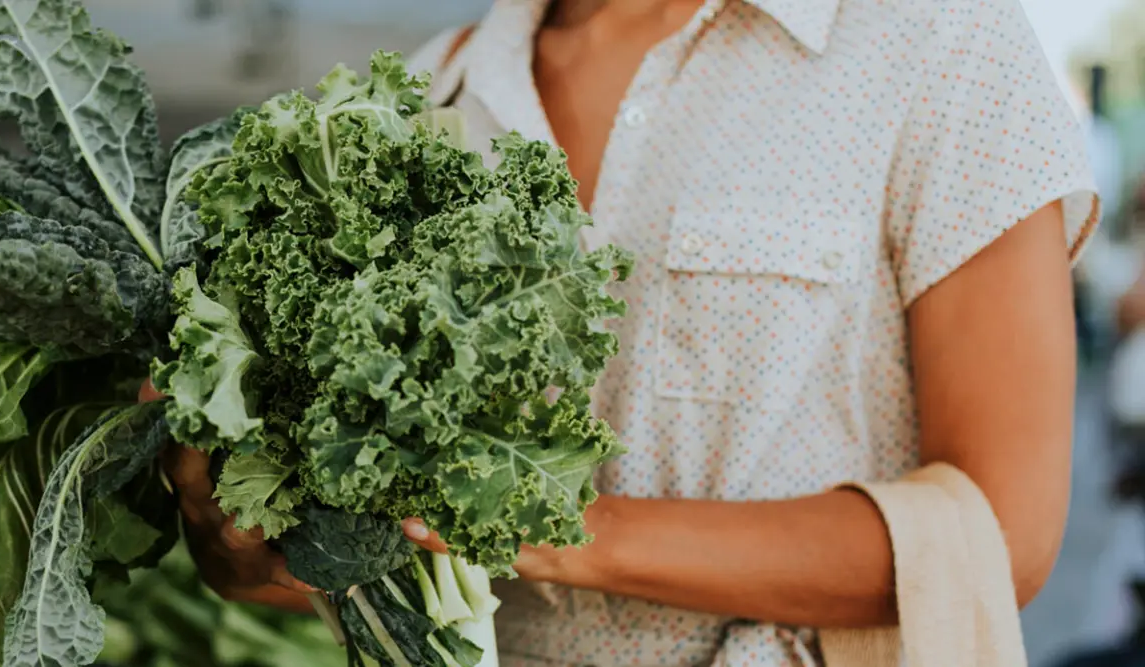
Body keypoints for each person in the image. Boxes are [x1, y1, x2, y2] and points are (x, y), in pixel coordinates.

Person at [152, 0, 1100, 664]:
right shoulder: (431, 91)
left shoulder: (937, 38)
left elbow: (999, 533)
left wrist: (553, 524)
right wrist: (245, 549)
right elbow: (369, 552)